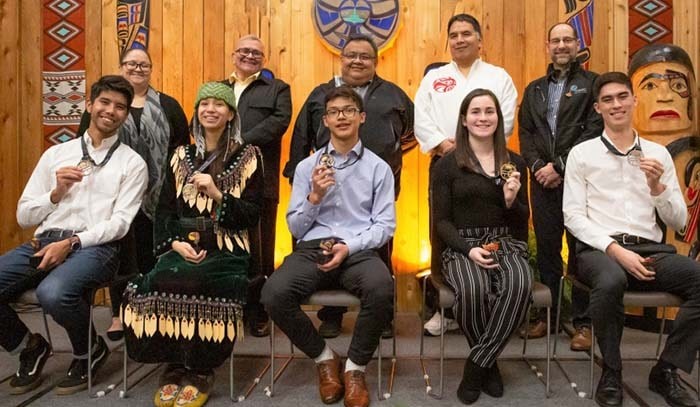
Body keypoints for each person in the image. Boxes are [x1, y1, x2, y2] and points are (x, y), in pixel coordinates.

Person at [0, 75, 147, 395]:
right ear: (89, 105)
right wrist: (55, 193)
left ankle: (89, 350)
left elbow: (121, 224)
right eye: (105, 102)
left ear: (125, 114)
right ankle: (29, 346)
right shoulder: (56, 155)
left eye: (120, 107)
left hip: (98, 247)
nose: (111, 111)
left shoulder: (132, 163)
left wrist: (73, 242)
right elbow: (24, 215)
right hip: (44, 240)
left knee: (52, 293)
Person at [122, 82, 264, 407]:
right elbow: (165, 211)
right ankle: (174, 365)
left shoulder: (249, 156)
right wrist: (174, 244)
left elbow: (253, 214)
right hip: (184, 246)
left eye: (219, 104)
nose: (210, 109)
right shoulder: (180, 156)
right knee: (158, 280)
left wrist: (218, 195)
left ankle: (201, 369)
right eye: (204, 104)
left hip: (228, 247)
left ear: (230, 114)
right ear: (197, 112)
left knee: (200, 281)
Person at [563, 71, 700, 407]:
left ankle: (666, 369)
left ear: (634, 100)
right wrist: (614, 250)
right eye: (608, 100)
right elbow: (573, 216)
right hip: (599, 250)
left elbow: (679, 220)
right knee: (609, 280)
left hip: (650, 249)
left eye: (622, 96)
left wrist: (658, 189)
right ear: (598, 108)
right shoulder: (582, 154)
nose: (616, 104)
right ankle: (612, 370)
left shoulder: (659, 154)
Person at [263, 85, 395, 407]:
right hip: (313, 248)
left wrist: (349, 247)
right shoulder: (308, 167)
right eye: (334, 112)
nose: (342, 117)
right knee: (273, 293)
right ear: (325, 121)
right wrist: (314, 197)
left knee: (382, 288)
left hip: (357, 249)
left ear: (361, 117)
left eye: (349, 110)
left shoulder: (379, 167)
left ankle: (354, 367)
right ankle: (324, 359)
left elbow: (385, 226)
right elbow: (295, 226)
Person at [284, 33, 414, 338]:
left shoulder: (394, 95)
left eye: (364, 56)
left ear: (375, 61)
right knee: (327, 245)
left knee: (378, 251)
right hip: (326, 189)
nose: (357, 60)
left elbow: (411, 134)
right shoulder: (320, 95)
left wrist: (390, 156)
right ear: (341, 59)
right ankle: (332, 316)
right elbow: (302, 137)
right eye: (350, 55)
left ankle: (383, 316)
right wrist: (302, 184)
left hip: (376, 187)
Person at [414, 13, 518, 335]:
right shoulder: (435, 77)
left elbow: (506, 118)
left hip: (490, 162)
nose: (459, 39)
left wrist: (474, 149)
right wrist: (449, 149)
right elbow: (422, 118)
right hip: (445, 161)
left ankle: (490, 300)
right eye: (454, 34)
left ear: (479, 40)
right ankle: (444, 311)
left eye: (466, 34)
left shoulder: (498, 76)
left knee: (490, 225)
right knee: (440, 231)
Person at [78, 48, 190, 341]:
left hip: (160, 194)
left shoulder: (168, 105)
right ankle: (119, 314)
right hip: (114, 194)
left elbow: (182, 149)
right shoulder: (107, 106)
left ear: (151, 69)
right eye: (131, 64)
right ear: (121, 67)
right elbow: (86, 144)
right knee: (121, 254)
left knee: (155, 253)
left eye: (144, 64)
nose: (138, 69)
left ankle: (155, 309)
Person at [431, 88, 531, 404]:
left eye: (489, 111)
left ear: (498, 119)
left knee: (520, 282)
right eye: (476, 112)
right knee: (472, 289)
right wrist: (467, 249)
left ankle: (477, 365)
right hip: (463, 245)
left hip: (504, 242)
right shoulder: (446, 165)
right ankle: (490, 364)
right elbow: (442, 221)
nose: (483, 117)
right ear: (464, 119)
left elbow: (522, 221)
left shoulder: (514, 162)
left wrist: (512, 200)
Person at [518, 22, 602, 349]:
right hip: (541, 183)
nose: (562, 45)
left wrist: (561, 166)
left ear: (577, 44)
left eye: (568, 39)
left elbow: (594, 129)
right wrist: (539, 167)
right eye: (556, 40)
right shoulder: (534, 89)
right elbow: (526, 134)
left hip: (580, 180)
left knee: (581, 251)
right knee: (549, 251)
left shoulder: (591, 84)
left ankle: (583, 323)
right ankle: (548, 318)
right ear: (548, 46)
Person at [223, 34, 292, 337]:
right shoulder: (218, 89)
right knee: (226, 246)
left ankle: (259, 312)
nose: (250, 56)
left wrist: (240, 143)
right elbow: (201, 119)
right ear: (234, 54)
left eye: (257, 53)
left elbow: (280, 121)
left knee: (261, 251)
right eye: (245, 51)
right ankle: (229, 310)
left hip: (260, 183)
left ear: (263, 60)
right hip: (220, 182)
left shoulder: (277, 89)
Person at [629, 43, 699, 256]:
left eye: (678, 85)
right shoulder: (625, 150)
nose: (665, 96)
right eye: (650, 86)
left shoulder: (692, 155)